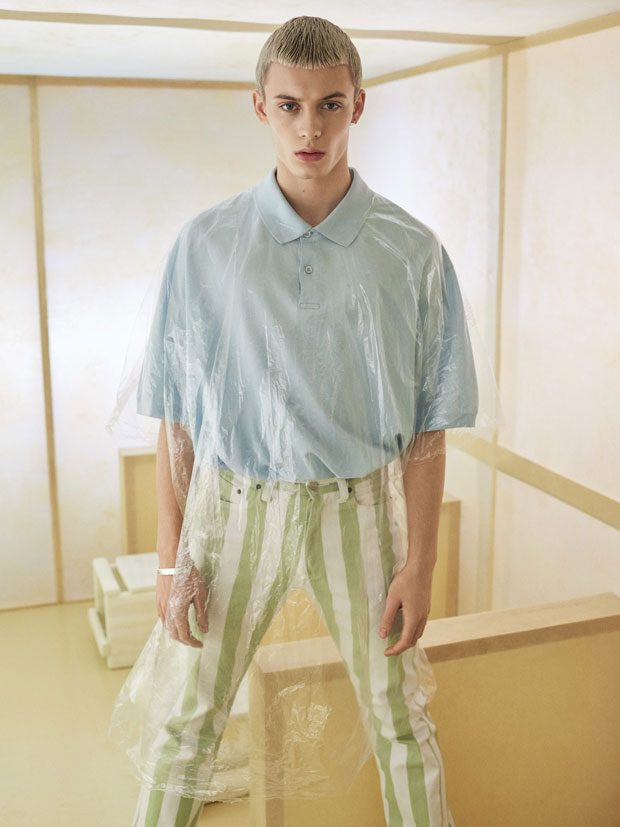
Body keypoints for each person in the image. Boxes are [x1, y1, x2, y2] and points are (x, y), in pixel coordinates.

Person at [107, 15, 492, 827]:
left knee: (399, 717)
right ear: (260, 106)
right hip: (235, 509)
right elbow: (176, 417)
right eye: (289, 105)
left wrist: (420, 562)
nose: (309, 128)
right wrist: (172, 562)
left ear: (359, 104)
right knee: (190, 717)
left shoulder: (412, 252)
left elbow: (430, 428)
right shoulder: (206, 245)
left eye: (329, 105)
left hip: (360, 510)